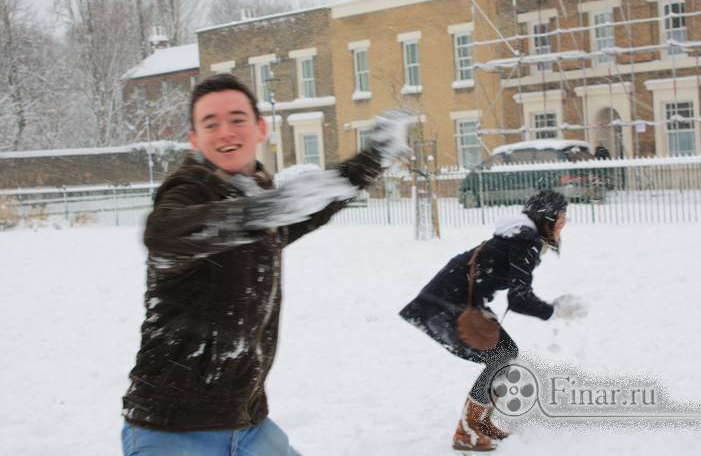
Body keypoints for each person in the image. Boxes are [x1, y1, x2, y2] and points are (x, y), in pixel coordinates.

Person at [121, 73, 408, 455]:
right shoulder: (189, 190)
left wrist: (373, 159)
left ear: (260, 128)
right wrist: (264, 210)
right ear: (195, 139)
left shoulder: (258, 198)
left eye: (237, 119)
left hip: (249, 423)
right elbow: (164, 234)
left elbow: (308, 210)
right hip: (173, 430)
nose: (226, 132)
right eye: (211, 124)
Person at [399, 190, 587, 452]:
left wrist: (480, 304)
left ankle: (480, 424)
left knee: (504, 355)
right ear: (547, 218)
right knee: (502, 357)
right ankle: (468, 431)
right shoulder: (527, 240)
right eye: (561, 218)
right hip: (442, 305)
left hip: (442, 301)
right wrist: (554, 311)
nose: (563, 224)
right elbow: (519, 299)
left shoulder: (519, 236)